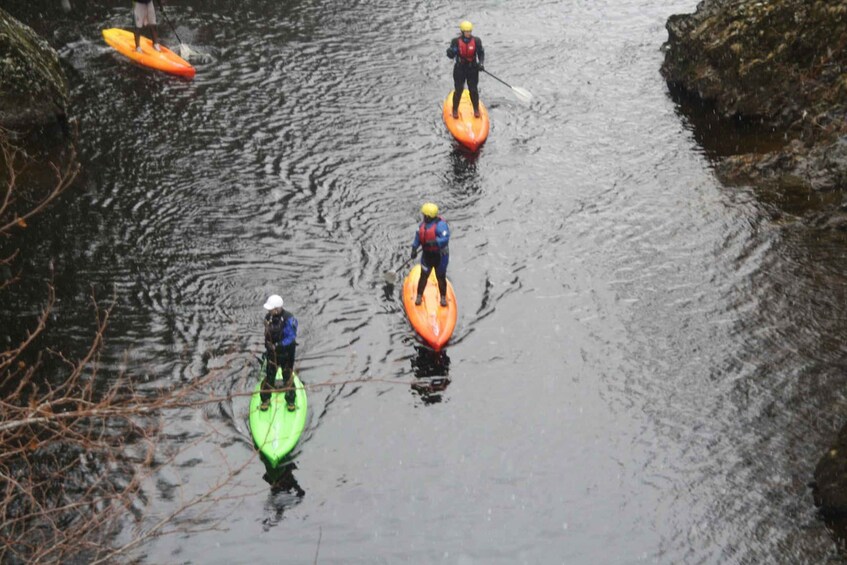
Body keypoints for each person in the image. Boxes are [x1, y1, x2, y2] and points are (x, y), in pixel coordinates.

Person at [261, 294, 298, 412]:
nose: (268, 311)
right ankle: (265, 400)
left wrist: (278, 345)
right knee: (269, 376)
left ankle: (291, 401)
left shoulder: (289, 319)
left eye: (270, 309)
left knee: (287, 377)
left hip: (286, 355)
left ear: (277, 309)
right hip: (272, 354)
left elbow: (291, 337)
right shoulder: (268, 317)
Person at [410, 203, 450, 307]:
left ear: (428, 216)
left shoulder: (441, 226)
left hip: (440, 256)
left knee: (440, 277)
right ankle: (419, 295)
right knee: (423, 276)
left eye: (424, 215)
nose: (423, 216)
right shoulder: (422, 226)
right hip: (427, 256)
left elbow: (445, 238)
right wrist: (414, 248)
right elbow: (418, 237)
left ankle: (443, 297)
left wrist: (435, 242)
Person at [446, 20, 485, 119]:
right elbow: (451, 55)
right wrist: (450, 52)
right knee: (459, 89)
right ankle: (455, 109)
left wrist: (481, 63)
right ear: (462, 32)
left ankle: (476, 109)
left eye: (470, 31)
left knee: (473, 90)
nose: (468, 33)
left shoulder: (476, 41)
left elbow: (481, 53)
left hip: (472, 69)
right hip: (460, 69)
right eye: (466, 31)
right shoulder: (456, 41)